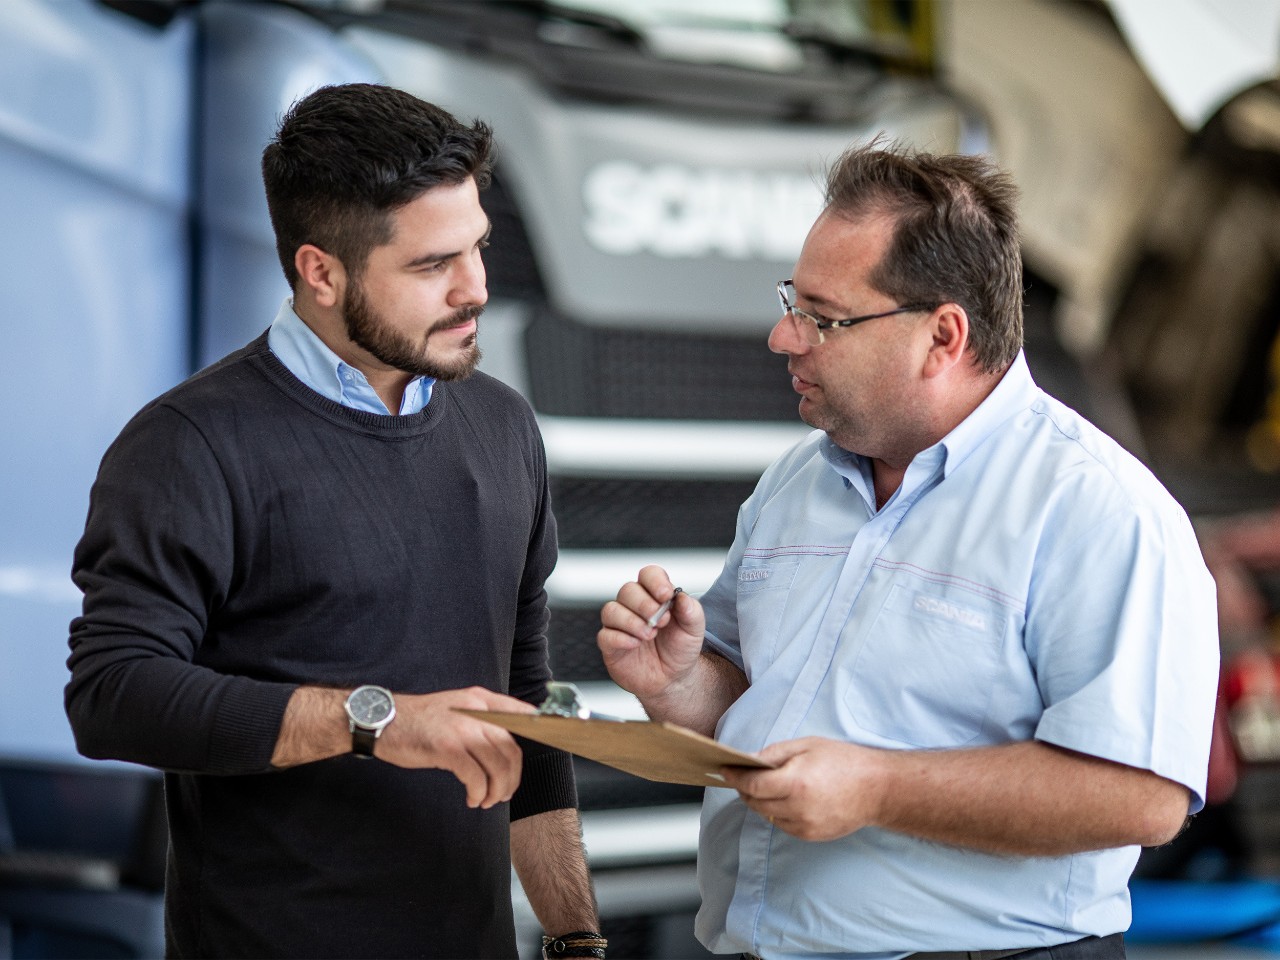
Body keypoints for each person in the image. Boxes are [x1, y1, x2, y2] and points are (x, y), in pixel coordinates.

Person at [598, 143, 1219, 960]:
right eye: (791, 301)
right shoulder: (794, 484)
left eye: (823, 316)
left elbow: (1140, 796)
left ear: (943, 336)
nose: (783, 337)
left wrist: (877, 789)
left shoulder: (1099, 511)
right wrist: (679, 682)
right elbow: (766, 718)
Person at [66, 83, 604, 960]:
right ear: (321, 272)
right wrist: (377, 721)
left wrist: (577, 939)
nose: (475, 289)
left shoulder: (504, 425)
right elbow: (112, 695)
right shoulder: (189, 444)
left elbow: (527, 703)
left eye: (478, 247)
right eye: (432, 265)